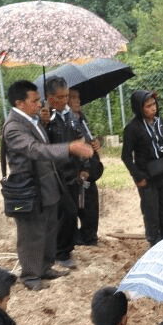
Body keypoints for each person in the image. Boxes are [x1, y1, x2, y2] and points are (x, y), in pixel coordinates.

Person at [1, 80, 93, 291]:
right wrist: (70, 148)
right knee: (31, 234)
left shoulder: (33, 120)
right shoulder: (14, 127)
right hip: (29, 189)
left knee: (50, 228)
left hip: (47, 186)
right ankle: (31, 275)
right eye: (34, 101)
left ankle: (45, 267)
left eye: (38, 100)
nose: (38, 104)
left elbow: (44, 144)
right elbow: (35, 150)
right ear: (19, 103)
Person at [122, 90, 163, 246]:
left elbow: (161, 141)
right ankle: (155, 245)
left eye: (154, 104)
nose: (153, 108)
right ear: (139, 108)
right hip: (147, 177)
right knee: (151, 213)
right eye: (148, 106)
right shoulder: (132, 129)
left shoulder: (159, 121)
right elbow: (125, 157)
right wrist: (138, 177)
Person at [41, 76, 84, 269]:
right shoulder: (45, 119)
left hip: (72, 171)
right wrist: (43, 124)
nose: (65, 100)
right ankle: (61, 252)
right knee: (65, 212)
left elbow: (79, 139)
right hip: (55, 173)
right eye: (60, 96)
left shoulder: (72, 117)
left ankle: (65, 248)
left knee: (72, 212)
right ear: (50, 98)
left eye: (67, 95)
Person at [67, 88, 104, 246]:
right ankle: (76, 238)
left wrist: (96, 142)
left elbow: (88, 139)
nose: (78, 101)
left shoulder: (81, 118)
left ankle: (90, 236)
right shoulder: (65, 121)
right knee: (76, 206)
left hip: (90, 168)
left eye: (78, 97)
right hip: (77, 170)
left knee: (91, 205)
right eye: (73, 98)